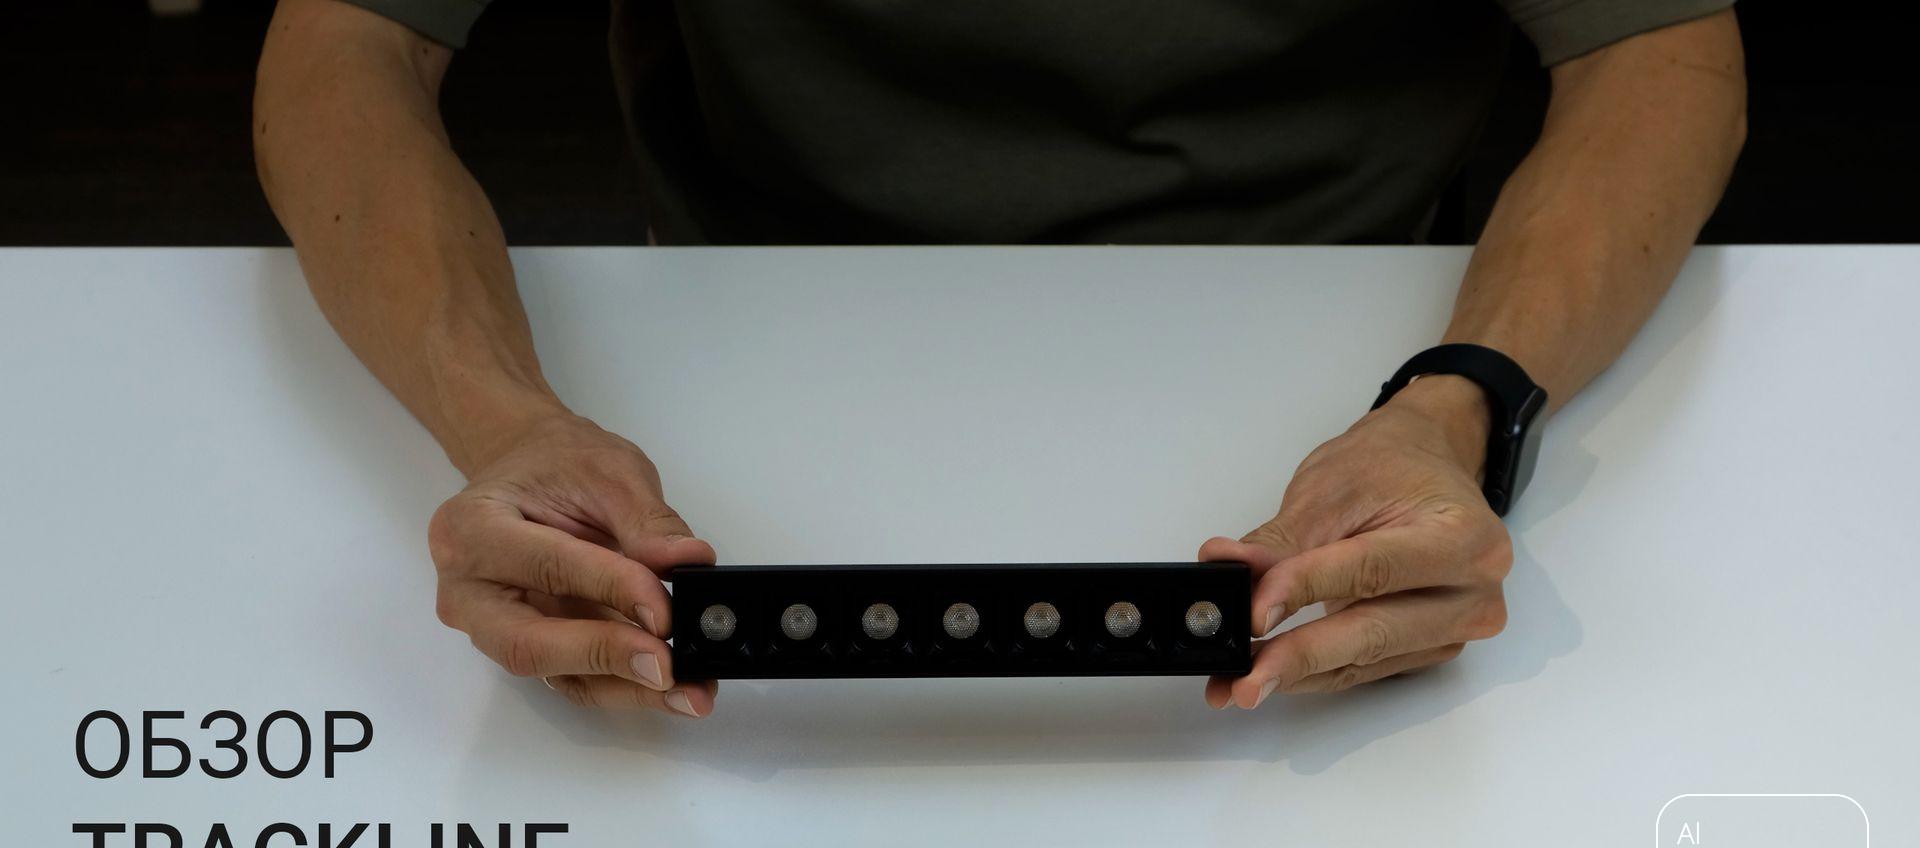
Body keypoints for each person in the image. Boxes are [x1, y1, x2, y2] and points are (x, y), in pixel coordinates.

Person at [254, 0, 1745, 716]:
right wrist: (500, 420)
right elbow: (344, 44)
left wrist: (1464, 399)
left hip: (1342, 335)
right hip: (748, 335)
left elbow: (1656, 48)